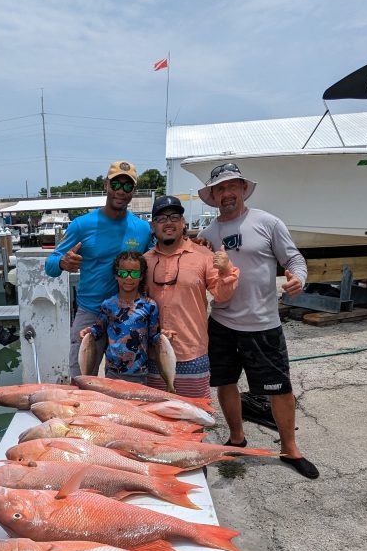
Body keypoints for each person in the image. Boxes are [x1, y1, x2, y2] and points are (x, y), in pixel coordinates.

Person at [197, 162, 319, 479]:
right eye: (220, 188)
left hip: (263, 324)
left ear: (242, 189)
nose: (226, 193)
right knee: (225, 384)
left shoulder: (268, 222)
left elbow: (293, 259)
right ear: (213, 195)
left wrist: (299, 278)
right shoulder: (206, 236)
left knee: (281, 390)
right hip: (221, 323)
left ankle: (290, 448)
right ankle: (236, 437)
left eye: (231, 186)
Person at [45, 161, 152, 379]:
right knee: (81, 382)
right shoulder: (82, 225)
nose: (121, 191)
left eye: (128, 186)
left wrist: (196, 244)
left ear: (134, 191)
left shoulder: (142, 229)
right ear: (106, 185)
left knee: (124, 386)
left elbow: (160, 258)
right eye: (116, 184)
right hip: (90, 313)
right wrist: (62, 263)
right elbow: (50, 265)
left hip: (127, 317)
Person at [144, 195, 239, 398]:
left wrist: (225, 270)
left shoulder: (203, 255)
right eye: (161, 219)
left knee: (194, 417)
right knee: (158, 416)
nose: (168, 222)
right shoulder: (145, 261)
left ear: (183, 222)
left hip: (193, 353)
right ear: (153, 226)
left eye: (174, 217)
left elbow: (222, 295)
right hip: (154, 354)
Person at [79, 251, 160, 382]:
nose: (128, 278)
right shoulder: (108, 305)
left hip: (140, 374)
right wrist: (89, 332)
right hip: (112, 373)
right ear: (116, 275)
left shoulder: (150, 305)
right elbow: (98, 330)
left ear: (141, 276)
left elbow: (153, 337)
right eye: (123, 273)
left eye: (134, 273)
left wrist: (164, 337)